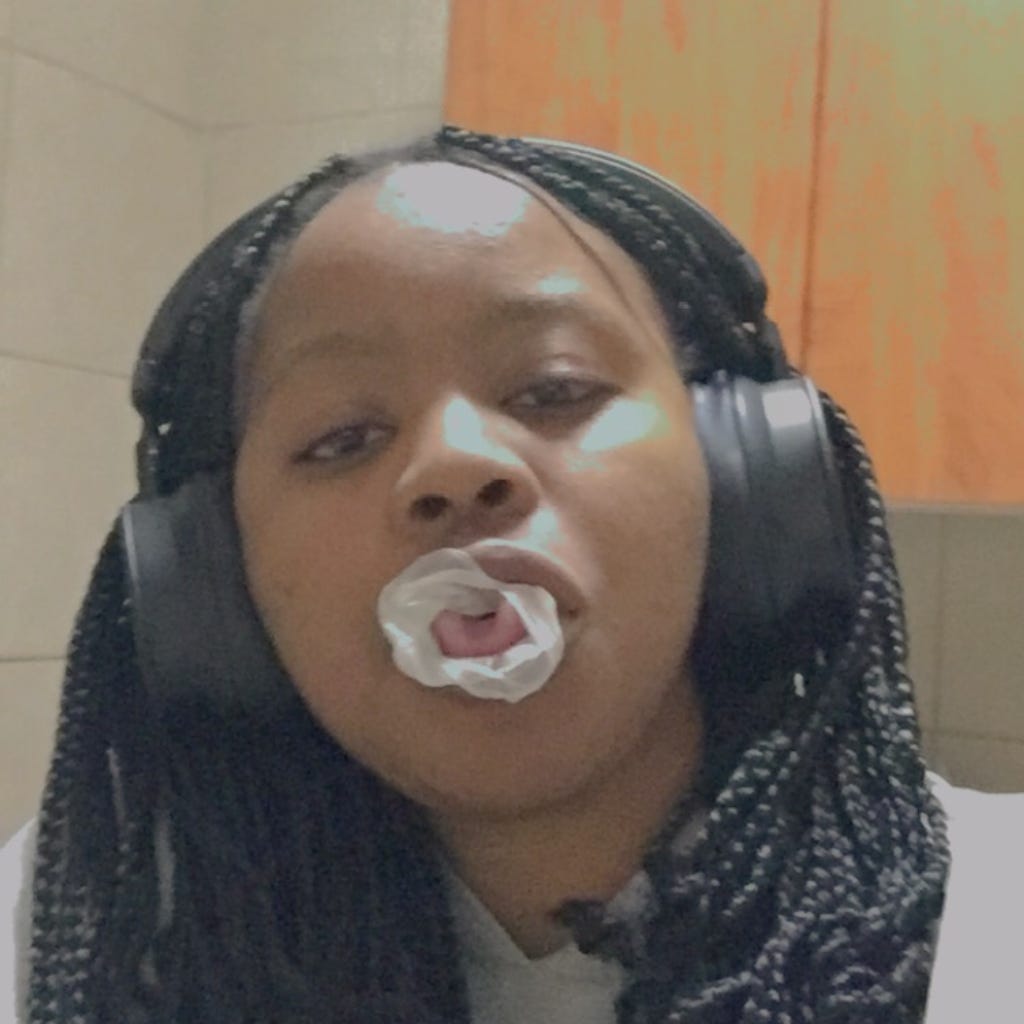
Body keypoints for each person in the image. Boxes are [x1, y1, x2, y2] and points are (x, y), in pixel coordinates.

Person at [1, 125, 1021, 1024]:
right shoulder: (75, 945)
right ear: (220, 576)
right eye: (343, 437)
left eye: (554, 388)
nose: (454, 466)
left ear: (745, 472)